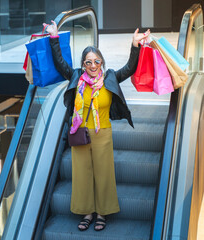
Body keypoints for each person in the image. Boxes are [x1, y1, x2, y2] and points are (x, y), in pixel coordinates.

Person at [43, 20, 150, 231]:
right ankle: (87, 212)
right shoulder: (76, 77)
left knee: (103, 173)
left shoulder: (110, 78)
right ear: (83, 65)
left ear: (102, 63)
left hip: (103, 134)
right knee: (82, 174)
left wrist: (135, 45)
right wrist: (54, 37)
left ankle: (102, 213)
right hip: (79, 133)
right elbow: (60, 64)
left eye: (97, 62)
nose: (93, 66)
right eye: (88, 62)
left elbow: (130, 68)